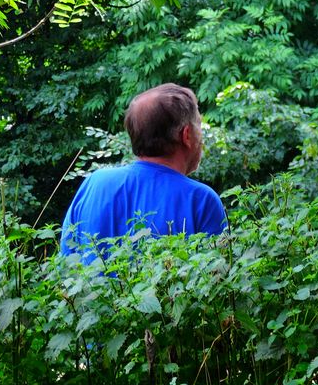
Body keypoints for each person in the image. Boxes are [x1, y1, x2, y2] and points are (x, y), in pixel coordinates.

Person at [61, 83, 227, 260]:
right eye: (198, 126)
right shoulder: (201, 201)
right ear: (186, 135)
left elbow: (65, 273)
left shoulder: (93, 184)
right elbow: (219, 280)